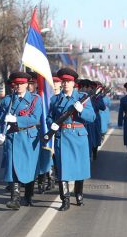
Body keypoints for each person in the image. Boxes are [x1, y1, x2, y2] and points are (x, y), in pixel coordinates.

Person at [46, 68, 95, 211]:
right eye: (64, 81)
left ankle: (79, 194)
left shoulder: (83, 97)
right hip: (63, 136)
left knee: (79, 168)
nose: (66, 84)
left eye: (69, 81)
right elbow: (50, 116)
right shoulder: (55, 99)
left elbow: (91, 117)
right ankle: (65, 199)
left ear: (74, 83)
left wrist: (81, 110)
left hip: (78, 136)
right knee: (62, 169)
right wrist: (52, 124)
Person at [0, 72, 42, 210]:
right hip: (13, 137)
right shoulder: (7, 100)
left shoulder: (35, 99)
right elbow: (1, 119)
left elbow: (35, 118)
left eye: (22, 84)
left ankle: (28, 195)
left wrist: (17, 119)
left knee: (29, 168)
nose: (19, 86)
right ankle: (15, 198)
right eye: (16, 84)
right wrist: (1, 133)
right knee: (13, 167)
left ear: (27, 84)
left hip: (28, 137)